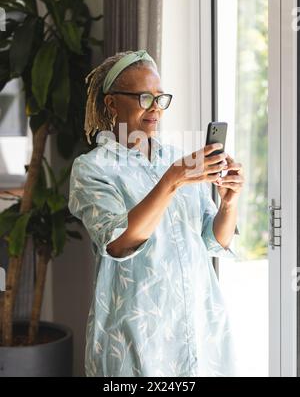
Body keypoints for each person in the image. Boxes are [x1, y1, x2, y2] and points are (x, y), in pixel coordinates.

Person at [68, 49, 245, 377]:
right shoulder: (93, 169)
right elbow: (118, 243)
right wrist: (171, 180)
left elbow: (212, 241)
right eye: (144, 97)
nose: (155, 109)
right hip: (137, 338)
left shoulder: (180, 160)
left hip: (200, 331)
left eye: (160, 99)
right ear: (112, 103)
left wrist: (229, 203)